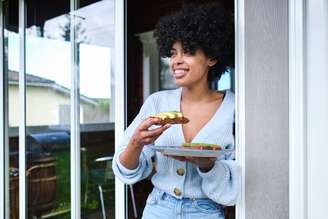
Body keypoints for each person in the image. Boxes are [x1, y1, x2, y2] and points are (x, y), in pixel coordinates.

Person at [112, 3, 239, 219]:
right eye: (172, 53)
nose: (176, 61)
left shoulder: (235, 108)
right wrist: (136, 143)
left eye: (188, 52)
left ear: (212, 57)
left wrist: (208, 165)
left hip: (206, 212)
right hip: (157, 208)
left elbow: (232, 189)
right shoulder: (157, 103)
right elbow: (125, 171)